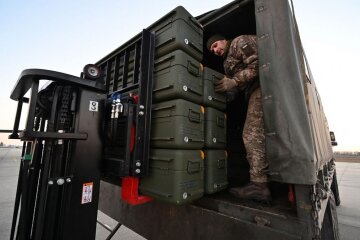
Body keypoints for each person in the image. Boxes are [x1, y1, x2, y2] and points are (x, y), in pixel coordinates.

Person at [207, 34, 271, 202]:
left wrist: (234, 81)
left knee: (251, 134)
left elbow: (259, 64)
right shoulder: (227, 64)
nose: (215, 50)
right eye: (212, 49)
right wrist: (219, 97)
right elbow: (234, 89)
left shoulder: (239, 42)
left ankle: (259, 186)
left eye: (215, 45)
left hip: (264, 86)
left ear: (223, 40)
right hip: (252, 92)